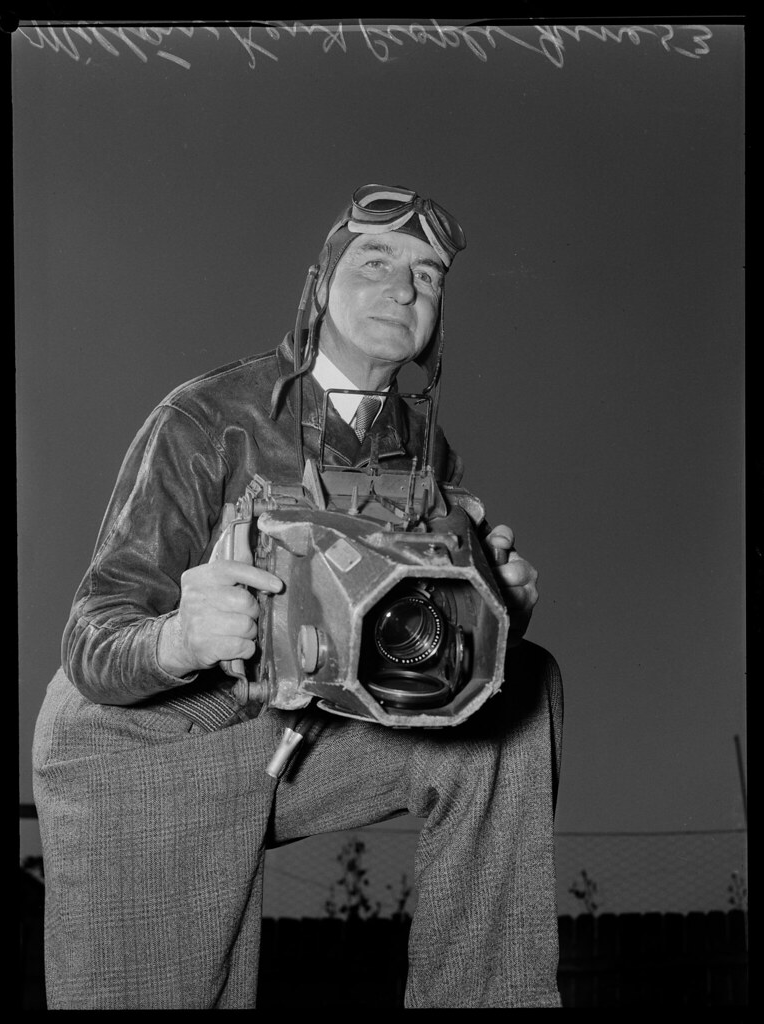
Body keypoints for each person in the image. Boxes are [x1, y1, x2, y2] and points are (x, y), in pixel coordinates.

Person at [32, 183, 564, 1009]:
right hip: (145, 741)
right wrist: (178, 638)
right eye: (376, 262)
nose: (403, 288)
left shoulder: (429, 458)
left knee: (521, 693)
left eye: (427, 277)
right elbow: (94, 637)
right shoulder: (208, 418)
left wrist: (485, 628)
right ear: (319, 286)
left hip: (293, 738)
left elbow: (402, 660)